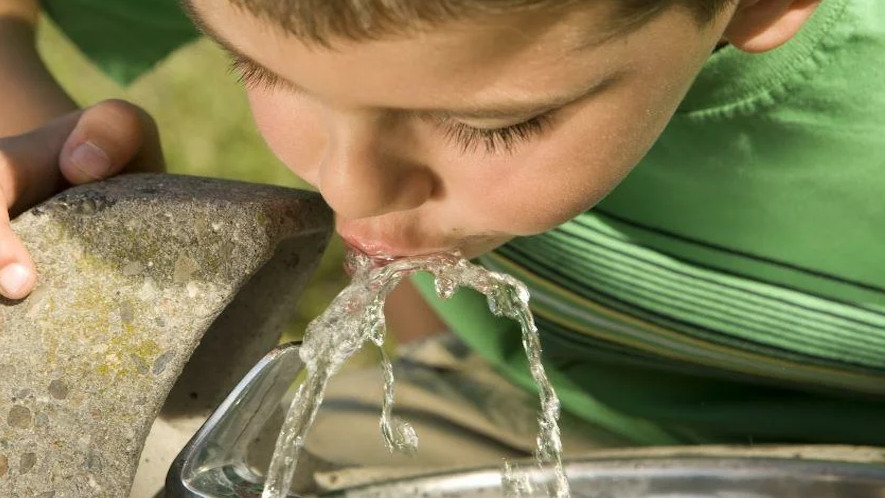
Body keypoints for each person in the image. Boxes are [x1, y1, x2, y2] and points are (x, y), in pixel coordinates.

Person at [2, 0, 884, 472]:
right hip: (522, 412)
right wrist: (63, 164)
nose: (349, 186)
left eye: (490, 124)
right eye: (260, 68)